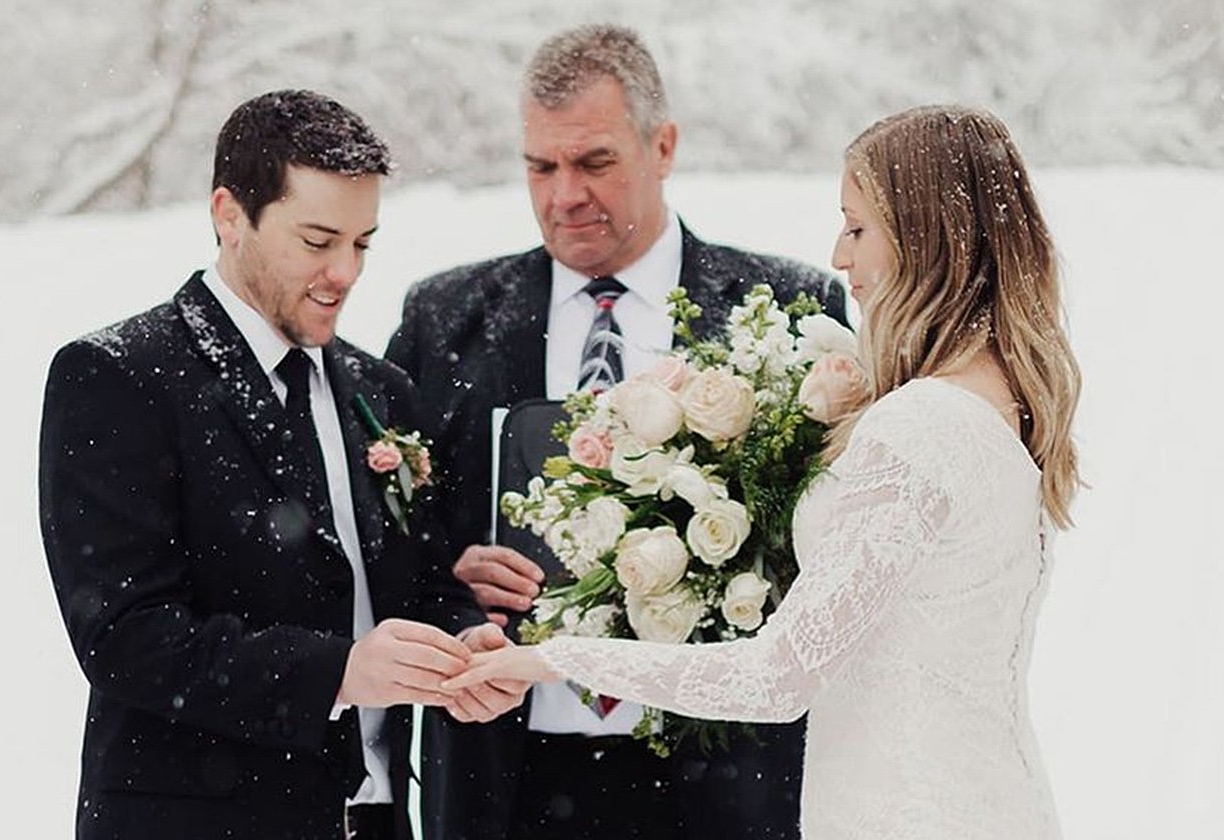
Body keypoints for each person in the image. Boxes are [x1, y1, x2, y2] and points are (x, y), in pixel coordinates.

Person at [444, 105, 1083, 838]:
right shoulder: (1004, 402)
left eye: (857, 226)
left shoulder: (921, 425)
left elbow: (776, 677)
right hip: (985, 796)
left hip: (907, 810)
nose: (840, 257)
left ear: (924, 235)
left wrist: (550, 658)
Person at [385, 23, 847, 840]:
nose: (564, 195)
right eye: (540, 166)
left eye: (594, 162)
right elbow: (390, 540)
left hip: (722, 775)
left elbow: (834, 549)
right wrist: (451, 572)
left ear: (662, 146)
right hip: (505, 779)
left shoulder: (784, 310)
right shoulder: (442, 318)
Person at [38, 89, 525, 840]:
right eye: (318, 240)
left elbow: (416, 580)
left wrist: (462, 642)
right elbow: (127, 638)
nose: (344, 272)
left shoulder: (382, 390)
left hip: (375, 820)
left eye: (363, 243)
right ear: (230, 216)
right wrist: (338, 673)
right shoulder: (119, 377)